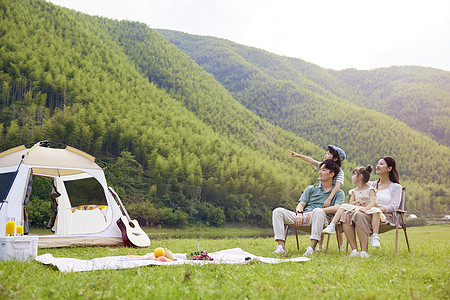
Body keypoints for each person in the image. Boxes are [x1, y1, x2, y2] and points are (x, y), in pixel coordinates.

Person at [272, 159, 345, 256]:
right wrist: (299, 214)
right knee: (278, 211)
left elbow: (337, 208)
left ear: (332, 174)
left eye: (323, 170)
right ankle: (281, 247)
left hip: (321, 219)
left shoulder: (338, 193)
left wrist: (317, 211)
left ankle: (311, 248)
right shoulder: (311, 188)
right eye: (320, 170)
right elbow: (301, 204)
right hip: (303, 217)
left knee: (318, 211)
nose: (319, 172)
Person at [339, 156, 402, 258]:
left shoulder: (395, 187)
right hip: (365, 211)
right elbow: (358, 193)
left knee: (359, 215)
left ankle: (364, 251)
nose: (378, 165)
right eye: (378, 163)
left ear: (389, 168)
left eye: (381, 164)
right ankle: (354, 250)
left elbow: (394, 206)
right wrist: (360, 203)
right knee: (346, 215)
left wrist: (374, 209)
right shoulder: (370, 185)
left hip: (383, 216)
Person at [322, 165, 385, 240]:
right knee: (343, 206)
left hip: (368, 209)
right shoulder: (354, 191)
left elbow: (373, 202)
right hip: (358, 209)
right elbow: (351, 203)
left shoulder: (371, 189)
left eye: (354, 174)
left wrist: (366, 208)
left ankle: (375, 236)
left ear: (360, 177)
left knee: (377, 211)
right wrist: (357, 202)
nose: (352, 177)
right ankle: (332, 226)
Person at [289, 145, 346, 209]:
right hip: (320, 192)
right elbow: (311, 160)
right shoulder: (322, 165)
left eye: (328, 154)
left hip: (329, 194)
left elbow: (337, 186)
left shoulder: (339, 172)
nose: (325, 155)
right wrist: (298, 155)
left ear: (335, 159)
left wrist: (329, 199)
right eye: (325, 153)